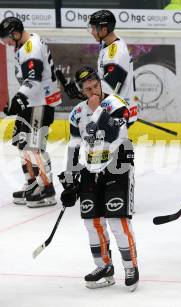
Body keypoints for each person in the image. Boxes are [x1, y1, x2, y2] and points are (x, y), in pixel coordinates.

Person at [59, 66, 139, 291]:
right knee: (91, 223)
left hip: (118, 167)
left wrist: (97, 111)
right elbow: (74, 144)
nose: (92, 91)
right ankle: (103, 266)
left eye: (95, 86)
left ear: (100, 83)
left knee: (117, 221)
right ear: (81, 90)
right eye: (87, 89)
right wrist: (69, 178)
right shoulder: (76, 113)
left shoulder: (117, 104)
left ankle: (130, 266)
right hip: (91, 169)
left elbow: (113, 133)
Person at [0, 17, 61, 208]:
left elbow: (34, 80)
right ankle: (33, 184)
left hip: (40, 102)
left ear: (16, 34)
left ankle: (46, 189)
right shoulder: (27, 44)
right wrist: (19, 100)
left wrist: (18, 99)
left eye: (7, 39)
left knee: (34, 147)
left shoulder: (31, 47)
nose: (6, 43)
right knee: (23, 143)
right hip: (32, 102)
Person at [62, 10, 138, 127]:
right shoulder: (107, 44)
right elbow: (102, 78)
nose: (92, 32)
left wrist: (80, 89)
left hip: (118, 111)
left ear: (104, 30)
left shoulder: (116, 52)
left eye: (94, 28)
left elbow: (110, 86)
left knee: (100, 142)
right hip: (112, 106)